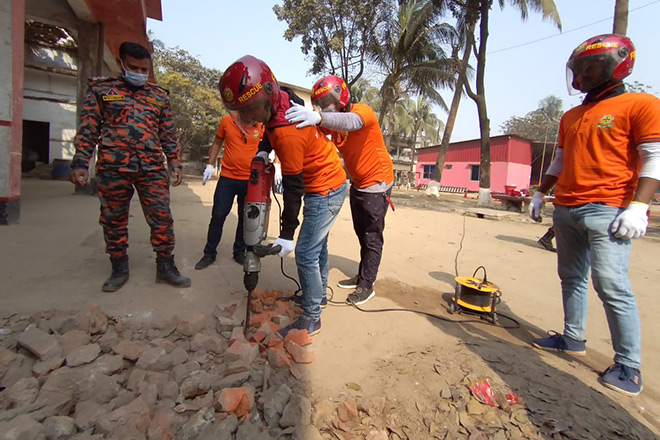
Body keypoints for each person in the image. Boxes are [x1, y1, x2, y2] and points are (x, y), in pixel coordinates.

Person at [529, 34, 660, 396]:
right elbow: (558, 158)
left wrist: (639, 206)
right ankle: (573, 338)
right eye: (579, 68)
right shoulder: (571, 115)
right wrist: (542, 193)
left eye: (590, 67)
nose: (582, 74)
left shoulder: (641, 104)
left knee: (611, 285)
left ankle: (629, 365)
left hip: (609, 208)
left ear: (616, 64)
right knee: (571, 277)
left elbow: (654, 156)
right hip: (567, 207)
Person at [219, 55, 347, 338]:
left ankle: (312, 317)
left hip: (324, 189)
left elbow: (293, 187)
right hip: (329, 183)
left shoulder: (289, 134)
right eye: (242, 112)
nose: (249, 118)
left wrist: (287, 233)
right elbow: (273, 121)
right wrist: (264, 147)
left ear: (268, 94)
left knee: (305, 253)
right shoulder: (283, 101)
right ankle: (318, 296)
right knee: (319, 247)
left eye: (251, 109)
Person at [71, 42, 191, 292]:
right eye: (133, 67)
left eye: (144, 69)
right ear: (120, 63)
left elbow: (167, 132)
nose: (139, 72)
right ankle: (119, 267)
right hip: (113, 167)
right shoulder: (102, 89)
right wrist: (82, 160)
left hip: (151, 168)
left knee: (162, 218)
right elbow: (88, 127)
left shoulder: (158, 96)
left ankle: (166, 266)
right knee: (113, 220)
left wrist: (175, 161)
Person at [285, 75, 394, 305]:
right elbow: (316, 133)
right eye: (321, 103)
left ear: (341, 95)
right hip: (357, 182)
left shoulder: (362, 112)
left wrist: (319, 117)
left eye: (328, 100)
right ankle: (363, 274)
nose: (326, 106)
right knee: (360, 231)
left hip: (377, 182)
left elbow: (350, 122)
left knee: (372, 236)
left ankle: (367, 284)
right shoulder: (332, 124)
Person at [195, 114, 277, 269]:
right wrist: (209, 164)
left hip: (250, 179)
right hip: (227, 178)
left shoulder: (260, 125)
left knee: (244, 218)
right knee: (218, 215)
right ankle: (209, 253)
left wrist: (277, 164)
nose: (253, 118)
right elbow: (217, 142)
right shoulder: (227, 121)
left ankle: (239, 251)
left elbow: (275, 142)